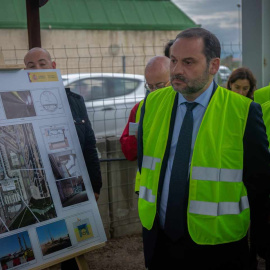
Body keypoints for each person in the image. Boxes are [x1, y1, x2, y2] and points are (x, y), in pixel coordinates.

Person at [137, 27, 270, 269]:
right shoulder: (152, 104)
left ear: (213, 65)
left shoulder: (243, 112)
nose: (176, 70)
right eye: (174, 61)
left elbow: (260, 186)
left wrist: (260, 246)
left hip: (219, 247)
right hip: (160, 241)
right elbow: (145, 165)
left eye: (188, 62)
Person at [24, 47, 102, 270]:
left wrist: (95, 185)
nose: (37, 69)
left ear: (53, 66)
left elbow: (89, 145)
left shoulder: (75, 101)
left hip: (70, 186)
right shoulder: (20, 103)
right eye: (31, 67)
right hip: (38, 190)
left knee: (73, 246)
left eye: (42, 63)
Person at [120, 56, 170, 161]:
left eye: (160, 86)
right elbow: (128, 152)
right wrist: (136, 137)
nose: (154, 91)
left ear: (173, 80)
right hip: (147, 176)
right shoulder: (139, 108)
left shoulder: (184, 106)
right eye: (150, 87)